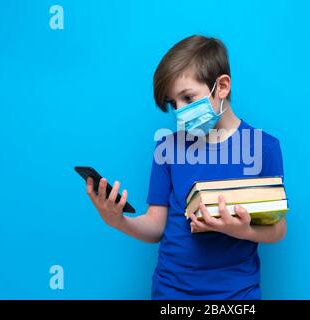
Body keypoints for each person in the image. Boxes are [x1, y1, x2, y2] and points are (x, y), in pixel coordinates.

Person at [85, 35, 287, 299]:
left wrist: (238, 229)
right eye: (173, 104)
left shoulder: (264, 148)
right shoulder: (166, 149)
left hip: (237, 294)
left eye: (188, 98)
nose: (180, 111)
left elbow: (278, 230)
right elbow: (155, 226)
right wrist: (119, 221)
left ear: (222, 86)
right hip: (171, 292)